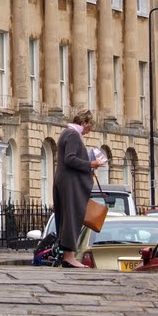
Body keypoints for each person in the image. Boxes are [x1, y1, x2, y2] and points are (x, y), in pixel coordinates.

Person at [53, 109, 107, 268]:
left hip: (65, 180)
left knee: (66, 217)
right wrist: (91, 164)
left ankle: (68, 256)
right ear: (83, 123)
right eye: (88, 128)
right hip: (70, 183)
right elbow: (70, 159)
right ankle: (69, 256)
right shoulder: (72, 135)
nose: (88, 132)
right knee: (72, 216)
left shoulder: (66, 133)